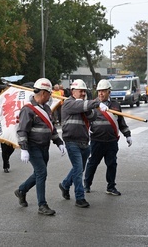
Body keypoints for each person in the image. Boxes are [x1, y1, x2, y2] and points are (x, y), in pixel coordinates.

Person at [14, 78, 66, 216]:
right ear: (43, 93)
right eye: (49, 94)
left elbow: (51, 128)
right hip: (33, 147)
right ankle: (42, 205)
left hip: (44, 147)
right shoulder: (28, 110)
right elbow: (22, 130)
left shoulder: (47, 108)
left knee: (38, 173)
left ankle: (21, 190)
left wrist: (59, 142)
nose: (50, 97)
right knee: (42, 173)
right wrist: (24, 148)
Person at [59, 79, 107, 208]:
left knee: (78, 168)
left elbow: (92, 116)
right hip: (71, 141)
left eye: (84, 91)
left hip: (85, 141)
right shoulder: (68, 103)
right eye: (81, 91)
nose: (83, 93)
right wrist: (96, 102)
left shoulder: (83, 104)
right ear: (73, 92)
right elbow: (81, 106)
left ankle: (65, 184)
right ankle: (80, 198)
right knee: (79, 169)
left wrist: (94, 107)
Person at [84, 79, 132, 196]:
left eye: (103, 91)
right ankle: (86, 185)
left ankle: (111, 187)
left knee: (112, 164)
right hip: (97, 140)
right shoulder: (93, 104)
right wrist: (87, 130)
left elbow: (121, 122)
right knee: (92, 163)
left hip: (111, 141)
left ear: (109, 92)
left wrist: (127, 135)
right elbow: (84, 119)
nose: (101, 93)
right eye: (99, 91)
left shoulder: (115, 105)